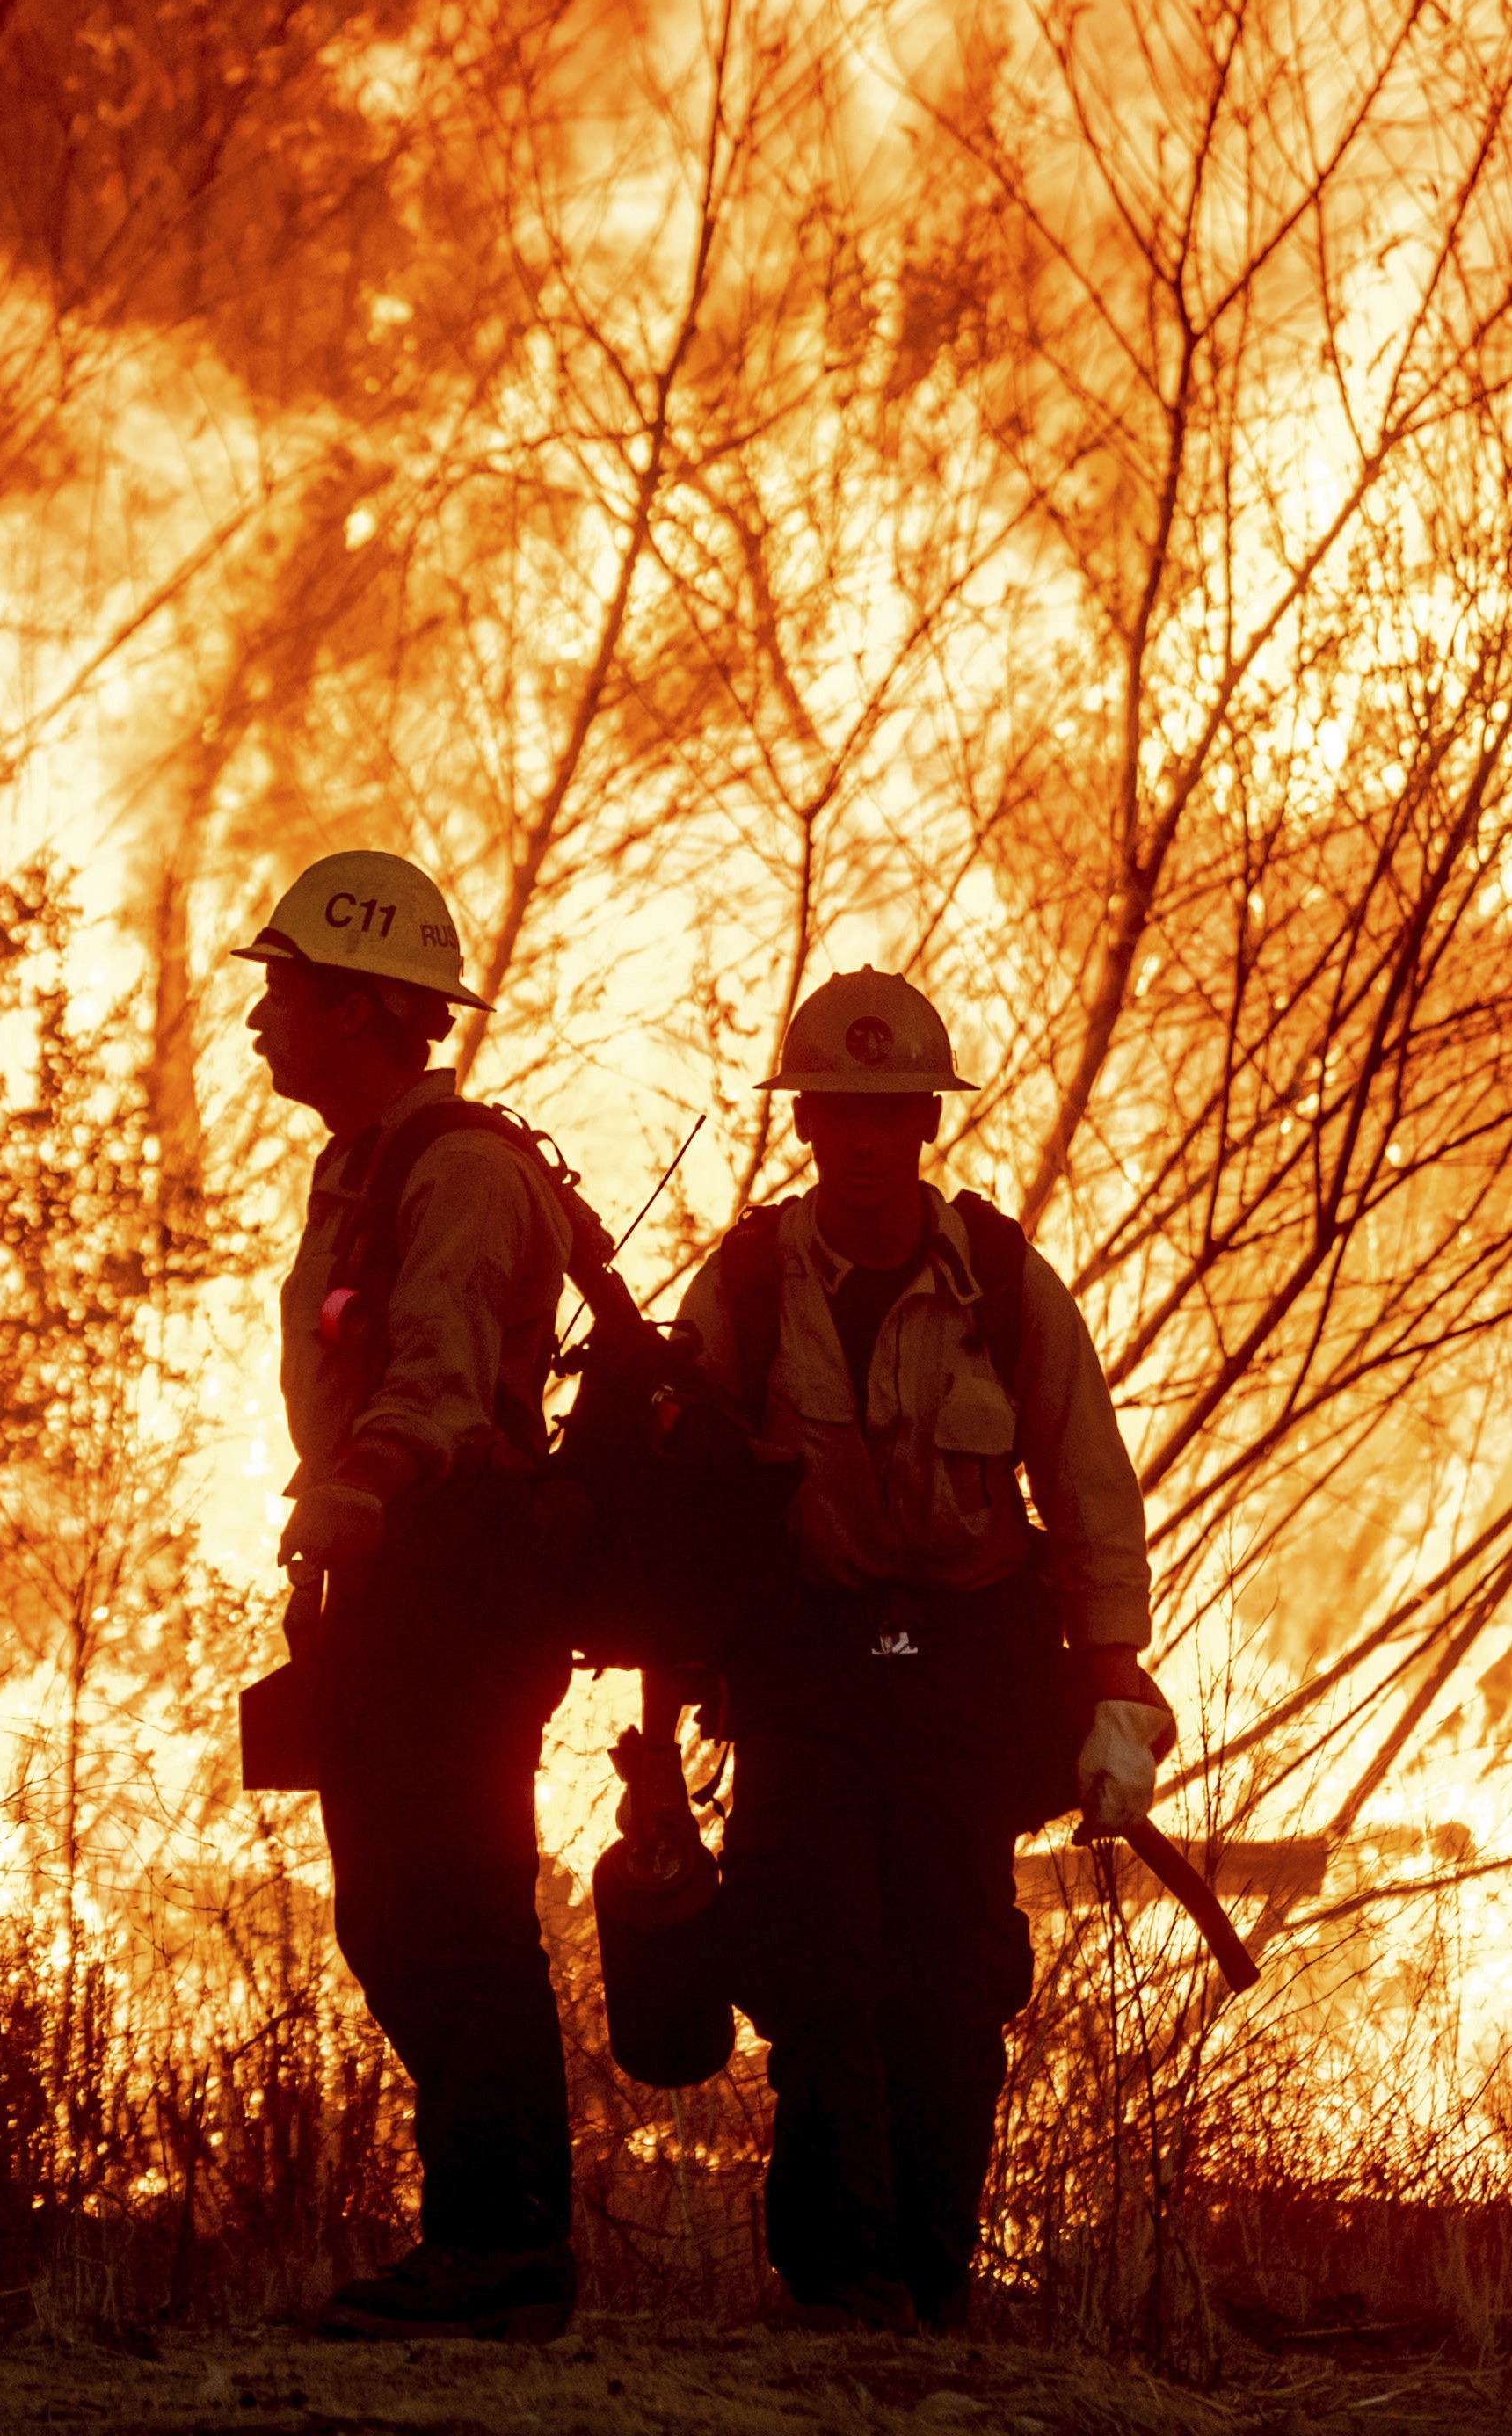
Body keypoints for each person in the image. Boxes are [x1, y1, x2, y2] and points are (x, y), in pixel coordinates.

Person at [674, 968, 1174, 2337]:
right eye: (840, 1108)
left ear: (925, 1124)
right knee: (813, 1962)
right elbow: (679, 1497)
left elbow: (1088, 1488)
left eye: (890, 1109)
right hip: (812, 1668)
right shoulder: (745, 1289)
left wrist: (1114, 1682)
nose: (863, 1135)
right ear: (806, 1123)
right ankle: (842, 2286)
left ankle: (935, 2281)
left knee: (953, 1982)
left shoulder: (1008, 1285)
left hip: (961, 1673)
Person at [237, 848, 580, 2343]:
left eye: (287, 989)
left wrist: (365, 1480)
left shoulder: (460, 1174)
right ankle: (488, 2246)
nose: (261, 1017)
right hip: (390, 1585)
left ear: (369, 1009)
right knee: (395, 1914)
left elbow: (439, 1379)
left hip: (459, 1586)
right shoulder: (363, 1168)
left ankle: (503, 2252)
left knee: (454, 1912)